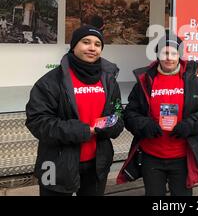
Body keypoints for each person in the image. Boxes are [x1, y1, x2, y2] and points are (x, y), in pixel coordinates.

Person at [25, 25, 124, 196]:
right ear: (74, 45)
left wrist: (112, 126)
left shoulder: (109, 80)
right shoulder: (51, 81)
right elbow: (37, 121)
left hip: (97, 164)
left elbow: (117, 113)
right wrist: (83, 130)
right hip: (57, 164)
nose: (92, 48)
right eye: (86, 42)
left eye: (97, 44)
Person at [117, 30, 198, 196]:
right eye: (165, 52)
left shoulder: (193, 81)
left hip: (183, 157)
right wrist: (144, 124)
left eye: (173, 53)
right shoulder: (144, 81)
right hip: (151, 157)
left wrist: (190, 125)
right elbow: (130, 113)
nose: (169, 57)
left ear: (179, 55)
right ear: (157, 55)